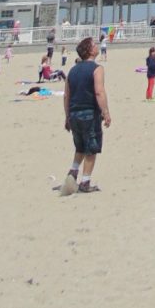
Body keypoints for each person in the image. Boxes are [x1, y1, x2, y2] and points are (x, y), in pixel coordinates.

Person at [60, 36, 111, 195]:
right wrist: (106, 112)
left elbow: (66, 96)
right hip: (89, 112)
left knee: (80, 146)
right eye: (94, 45)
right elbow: (99, 91)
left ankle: (73, 172)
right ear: (89, 50)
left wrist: (67, 116)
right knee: (91, 148)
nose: (96, 47)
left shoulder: (72, 71)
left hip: (74, 113)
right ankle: (85, 182)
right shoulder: (97, 68)